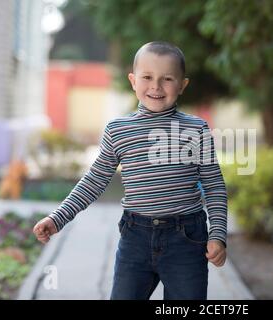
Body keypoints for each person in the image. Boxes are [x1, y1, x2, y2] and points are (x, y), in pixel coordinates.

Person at [32, 41, 228, 300]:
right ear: (133, 81)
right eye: (147, 77)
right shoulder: (118, 130)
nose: (156, 86)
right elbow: (94, 180)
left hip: (186, 239)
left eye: (167, 78)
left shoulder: (196, 129)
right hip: (136, 237)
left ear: (182, 85)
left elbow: (214, 186)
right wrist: (59, 218)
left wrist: (218, 235)